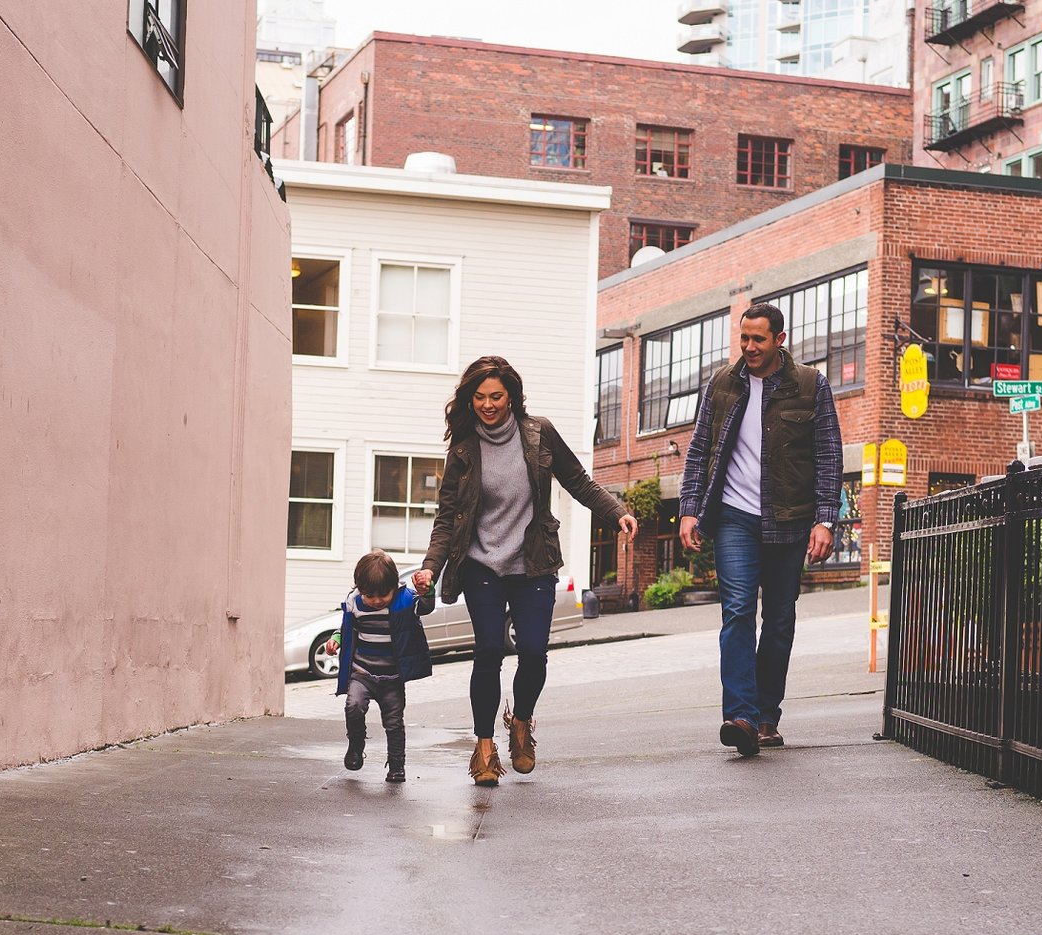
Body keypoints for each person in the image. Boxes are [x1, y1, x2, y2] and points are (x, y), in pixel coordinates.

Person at [415, 354, 634, 787]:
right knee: (489, 652)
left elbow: (579, 481)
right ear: (469, 400)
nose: (488, 404)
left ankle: (521, 723)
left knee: (533, 652)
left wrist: (616, 512)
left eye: (496, 396)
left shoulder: (539, 433)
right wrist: (430, 567)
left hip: (533, 562)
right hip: (481, 565)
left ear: (512, 395)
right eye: (479, 397)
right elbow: (448, 517)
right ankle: (483, 748)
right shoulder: (463, 448)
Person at [676, 298, 841, 757]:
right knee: (737, 611)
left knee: (780, 620)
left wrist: (826, 519)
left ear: (779, 340)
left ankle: (768, 715)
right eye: (743, 338)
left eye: (757, 339)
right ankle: (742, 716)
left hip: (790, 519)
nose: (748, 347)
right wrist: (690, 507)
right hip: (734, 516)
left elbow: (829, 456)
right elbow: (698, 449)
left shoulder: (810, 385)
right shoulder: (722, 385)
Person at [334, 549, 433, 784]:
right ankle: (356, 745)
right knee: (354, 706)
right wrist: (336, 639)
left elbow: (425, 607)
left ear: (394, 586)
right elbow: (346, 628)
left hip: (392, 677)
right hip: (363, 673)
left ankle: (397, 765)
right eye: (370, 595)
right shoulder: (355, 603)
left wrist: (427, 591)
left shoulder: (405, 601)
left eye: (383, 594)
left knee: (394, 722)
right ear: (359, 588)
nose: (377, 600)